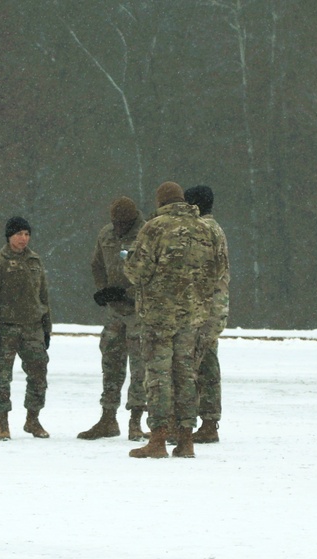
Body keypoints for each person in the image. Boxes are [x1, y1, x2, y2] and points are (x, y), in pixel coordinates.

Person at [123, 182, 224, 458]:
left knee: (158, 376)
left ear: (161, 201)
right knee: (185, 376)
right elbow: (219, 271)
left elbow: (136, 270)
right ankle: (186, 440)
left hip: (159, 316)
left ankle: (158, 438)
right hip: (193, 317)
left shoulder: (155, 227)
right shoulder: (205, 228)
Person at [78, 196, 149, 441]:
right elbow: (96, 264)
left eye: (123, 223)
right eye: (115, 222)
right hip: (115, 313)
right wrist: (104, 290)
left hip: (139, 312)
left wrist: (128, 293)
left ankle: (136, 420)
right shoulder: (106, 234)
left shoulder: (146, 235)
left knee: (140, 369)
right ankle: (108, 418)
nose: (118, 227)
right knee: (111, 364)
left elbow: (153, 276)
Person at [0, 216, 52, 441]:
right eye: (19, 234)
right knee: (2, 377)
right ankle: (2, 424)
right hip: (6, 328)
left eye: (27, 234)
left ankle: (33, 419)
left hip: (33, 328)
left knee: (38, 374)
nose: (23, 239)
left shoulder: (35, 261)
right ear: (9, 236)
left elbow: (43, 295)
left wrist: (46, 328)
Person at [185, 185, 230, 443]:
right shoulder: (216, 228)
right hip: (216, 305)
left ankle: (186, 424)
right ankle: (209, 421)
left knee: (191, 364)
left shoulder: (202, 230)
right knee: (209, 363)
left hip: (205, 307)